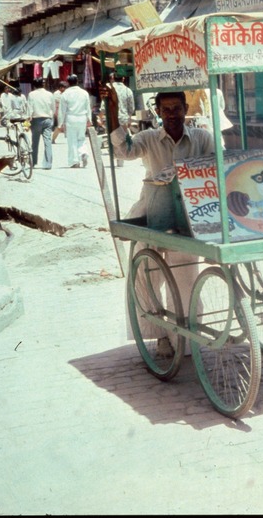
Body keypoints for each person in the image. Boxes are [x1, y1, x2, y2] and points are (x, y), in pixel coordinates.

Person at [102, 87, 216, 355]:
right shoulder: (149, 138)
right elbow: (123, 150)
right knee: (145, 275)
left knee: (186, 278)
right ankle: (158, 335)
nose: (172, 115)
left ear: (186, 110)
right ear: (159, 112)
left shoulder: (202, 137)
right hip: (153, 214)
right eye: (166, 110)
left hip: (188, 219)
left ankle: (186, 340)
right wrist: (112, 110)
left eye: (176, 109)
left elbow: (216, 167)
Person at [101, 72, 135, 166]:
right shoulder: (128, 90)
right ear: (123, 79)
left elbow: (104, 107)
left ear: (112, 78)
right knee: (122, 139)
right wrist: (129, 119)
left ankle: (114, 157)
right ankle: (120, 160)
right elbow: (131, 108)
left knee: (111, 138)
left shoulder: (109, 90)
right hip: (123, 119)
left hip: (111, 118)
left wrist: (102, 117)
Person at [59, 74, 92, 168]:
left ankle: (74, 162)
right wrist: (89, 119)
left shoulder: (65, 94)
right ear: (77, 81)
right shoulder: (84, 93)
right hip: (82, 118)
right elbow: (88, 107)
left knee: (72, 140)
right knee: (81, 138)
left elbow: (62, 110)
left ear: (68, 83)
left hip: (71, 118)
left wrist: (60, 123)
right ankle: (83, 152)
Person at [27, 77, 54, 170]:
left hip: (36, 119)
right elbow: (53, 107)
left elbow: (30, 108)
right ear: (43, 84)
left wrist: (28, 119)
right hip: (48, 119)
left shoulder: (31, 94)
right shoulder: (50, 94)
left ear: (34, 85)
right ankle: (48, 163)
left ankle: (33, 162)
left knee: (35, 142)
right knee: (48, 141)